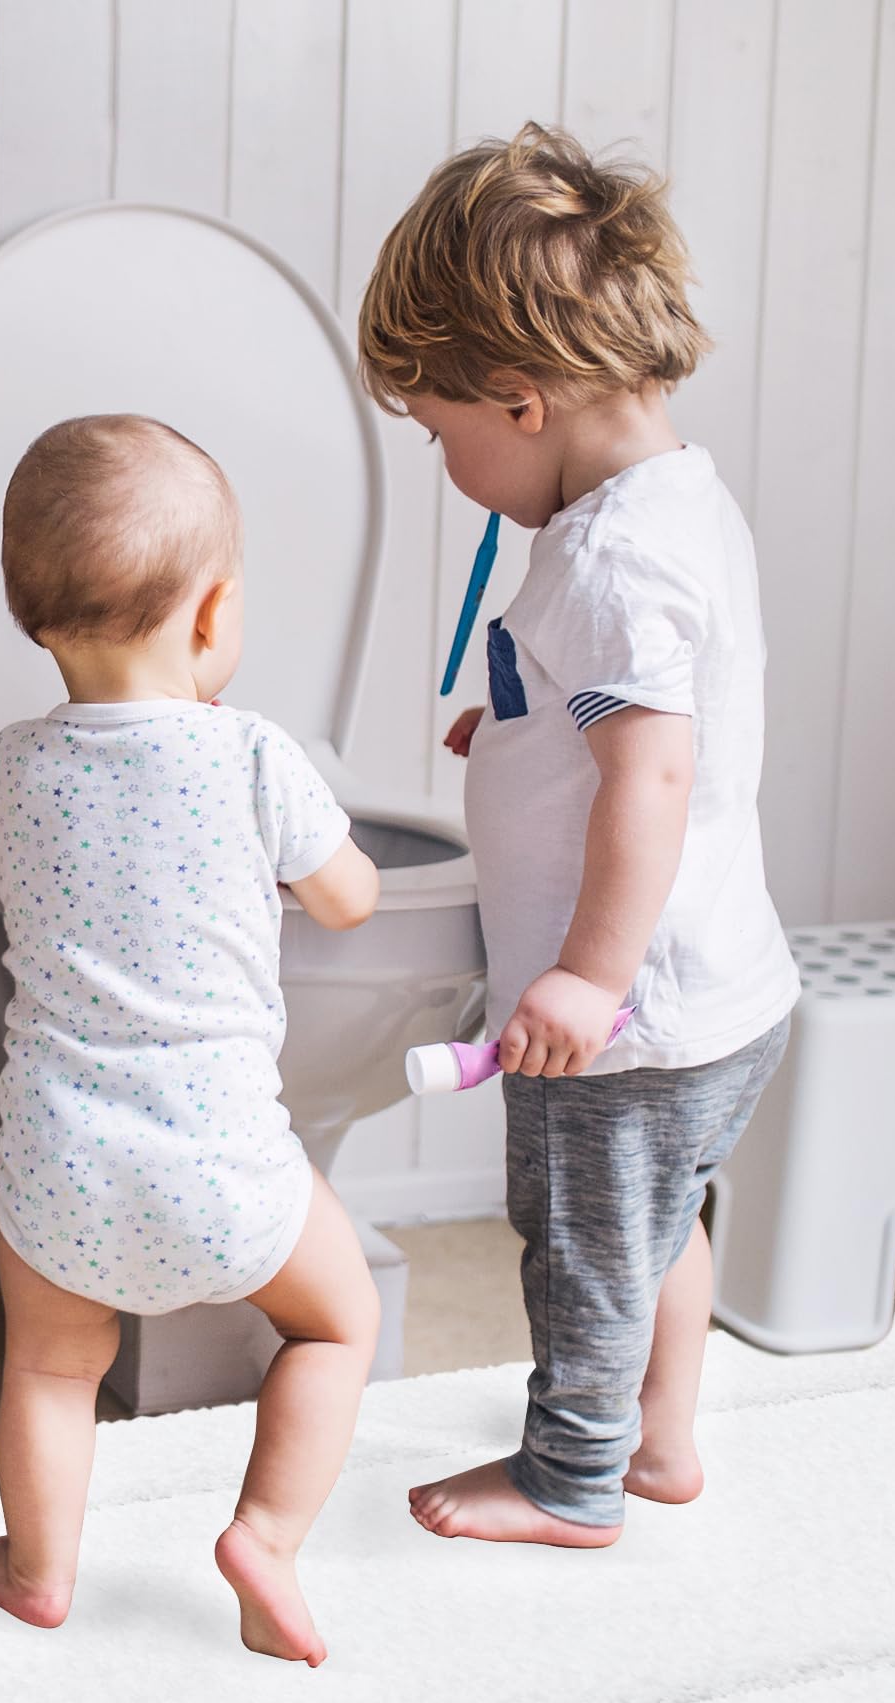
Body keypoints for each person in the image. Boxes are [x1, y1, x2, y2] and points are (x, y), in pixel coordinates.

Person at [358, 124, 801, 1547]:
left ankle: (573, 1480)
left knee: (589, 1250)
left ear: (521, 400)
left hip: (629, 1011)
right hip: (718, 989)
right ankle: (662, 1444)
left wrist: (586, 979)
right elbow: (649, 722)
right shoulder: (668, 503)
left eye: (441, 434)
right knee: (657, 1225)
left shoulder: (608, 559)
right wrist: (522, 723)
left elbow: (652, 778)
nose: (446, 462)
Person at [0, 413, 380, 1665]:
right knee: (334, 1322)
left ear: (34, 618)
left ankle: (38, 1569)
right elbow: (352, 895)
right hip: (221, 1164)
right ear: (211, 619)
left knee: (47, 1369)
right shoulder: (252, 753)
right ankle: (262, 1533)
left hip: (59, 1170)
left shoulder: (15, 765)